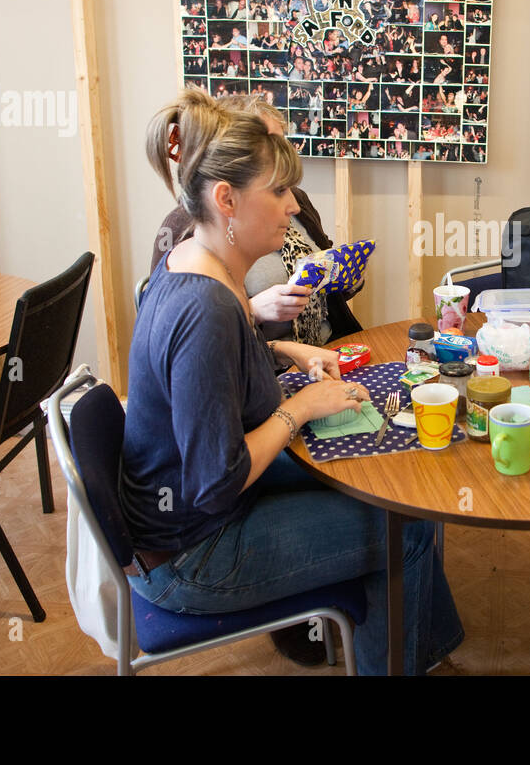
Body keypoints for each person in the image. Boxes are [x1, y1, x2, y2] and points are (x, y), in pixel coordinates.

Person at [131, 89, 463, 675]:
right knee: (406, 527)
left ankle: (417, 650)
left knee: (398, 472)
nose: (292, 207)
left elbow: (225, 357)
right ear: (227, 199)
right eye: (279, 191)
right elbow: (216, 481)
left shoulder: (195, 260)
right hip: (198, 552)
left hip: (200, 515)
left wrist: (282, 344)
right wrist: (302, 407)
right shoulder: (204, 309)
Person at [150, 97, 361, 346]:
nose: (291, 205)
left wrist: (344, 273)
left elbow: (324, 258)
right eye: (269, 147)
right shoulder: (188, 238)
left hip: (323, 349)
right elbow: (194, 333)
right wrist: (253, 311)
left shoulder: (298, 201)